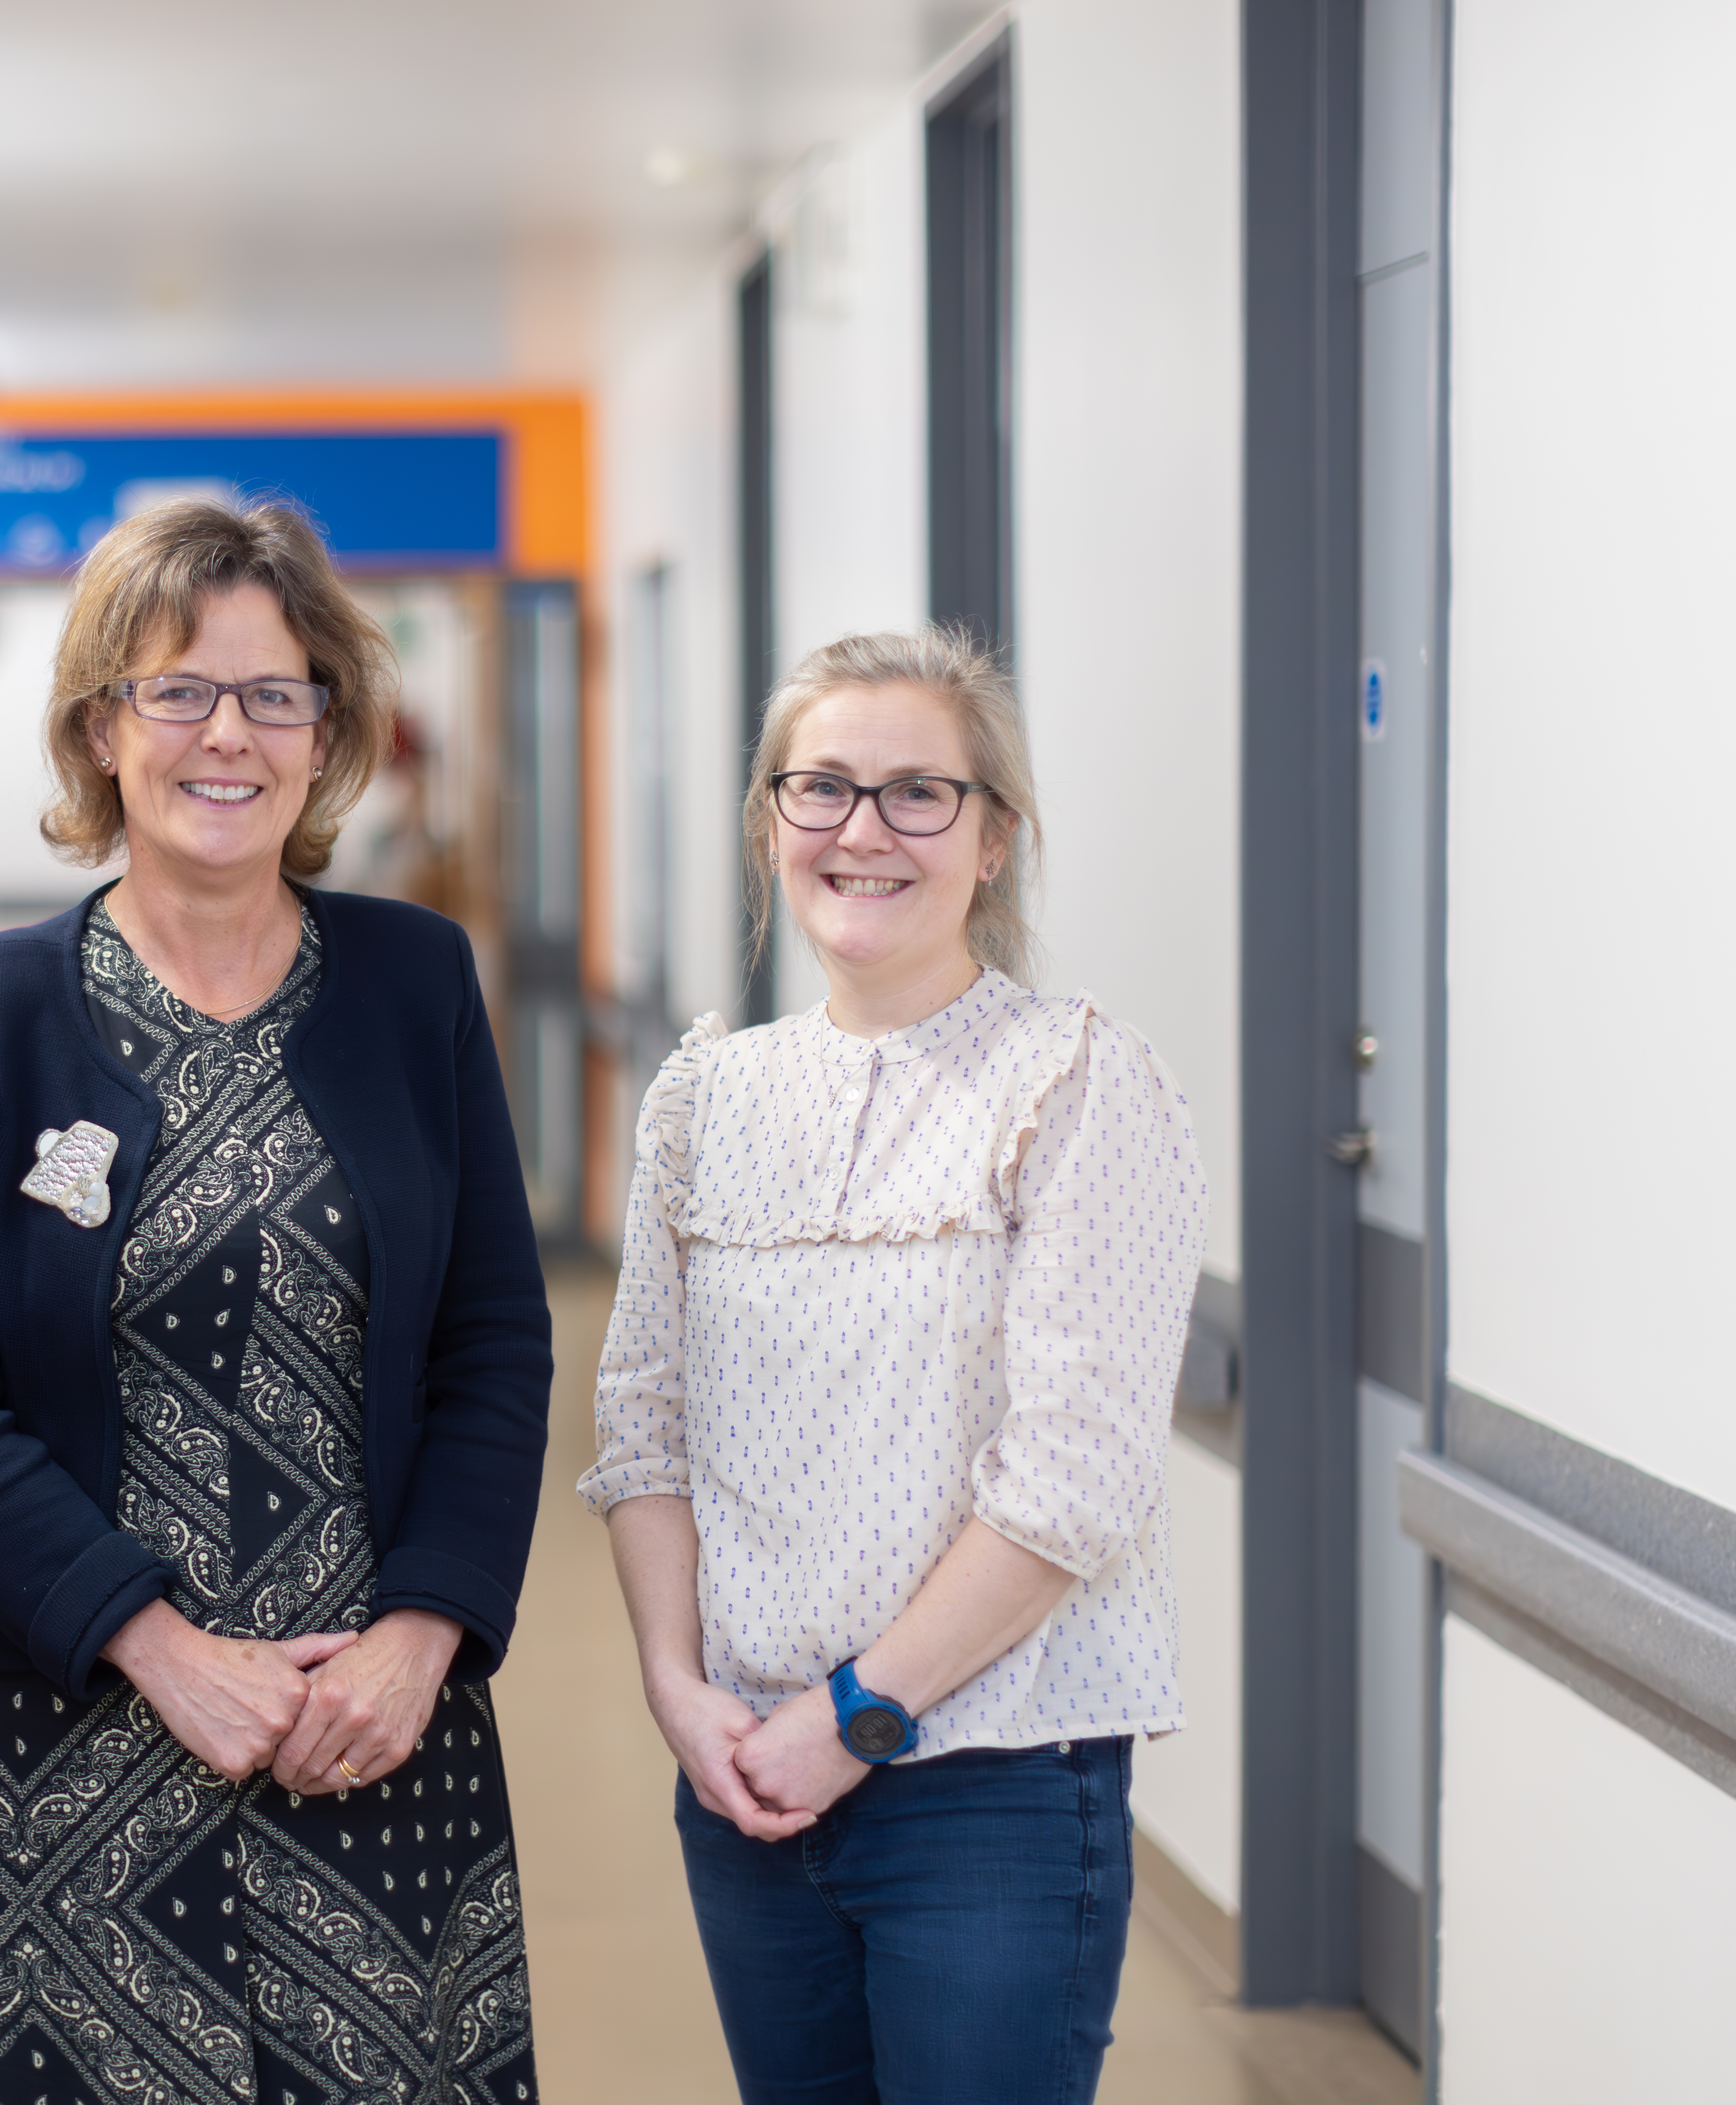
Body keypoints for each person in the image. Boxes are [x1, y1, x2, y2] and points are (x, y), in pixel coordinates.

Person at [0, 500, 553, 2105]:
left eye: (272, 693)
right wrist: (157, 1646)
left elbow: (494, 1343)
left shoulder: (416, 984)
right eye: (177, 691)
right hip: (85, 1733)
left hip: (374, 1728)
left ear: (326, 730)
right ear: (100, 728)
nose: (227, 733)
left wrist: (421, 1637)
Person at [581, 628, 1206, 2103]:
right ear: (769, 826)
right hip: (747, 1778)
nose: (862, 830)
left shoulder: (1075, 1081)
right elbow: (644, 1425)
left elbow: (1069, 1482)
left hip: (990, 1788)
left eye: (918, 792)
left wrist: (858, 1715)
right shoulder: (703, 1097)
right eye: (821, 788)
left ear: (993, 840)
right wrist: (676, 1686)